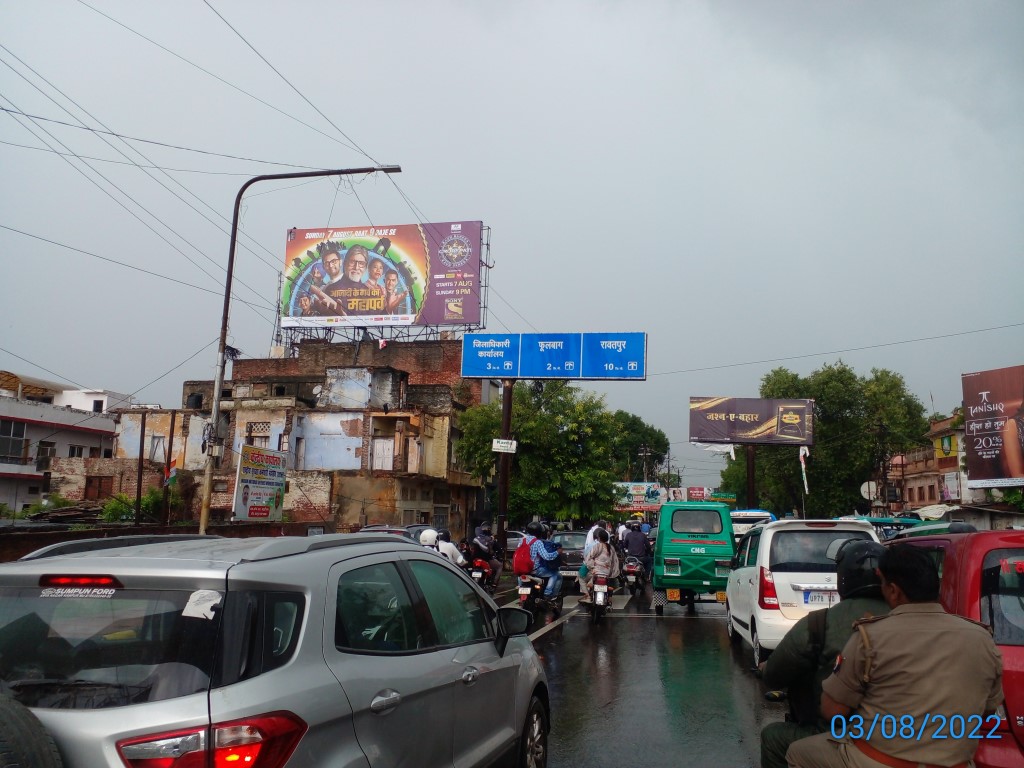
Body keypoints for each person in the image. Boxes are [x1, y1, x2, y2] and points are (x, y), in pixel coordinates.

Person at [786, 543, 1004, 768]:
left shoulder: (869, 636)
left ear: (893, 590)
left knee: (797, 752)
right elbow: (987, 709)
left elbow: (833, 711)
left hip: (879, 761)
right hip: (957, 763)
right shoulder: (982, 638)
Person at [759, 541, 889, 768]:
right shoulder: (914, 622)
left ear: (842, 578)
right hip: (909, 735)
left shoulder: (819, 624)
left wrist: (765, 669)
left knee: (772, 737)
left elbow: (774, 675)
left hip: (839, 736)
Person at [318, 245, 384, 316]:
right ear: (345, 263)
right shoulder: (331, 290)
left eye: (361, 263)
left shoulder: (371, 294)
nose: (356, 267)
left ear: (365, 267)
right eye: (352, 262)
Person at [525, 520, 563, 603]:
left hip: (522, 570)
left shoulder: (522, 540)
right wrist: (557, 552)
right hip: (535, 570)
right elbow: (547, 557)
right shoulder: (538, 542)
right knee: (556, 574)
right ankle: (548, 594)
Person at [579, 528, 615, 603]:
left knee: (581, 578)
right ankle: (610, 597)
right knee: (612, 582)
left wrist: (589, 567)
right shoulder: (611, 548)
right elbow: (614, 562)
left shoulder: (597, 546)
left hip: (596, 572)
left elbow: (589, 558)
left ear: (599, 538)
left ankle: (587, 596)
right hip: (607, 573)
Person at [471, 521, 503, 588]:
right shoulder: (490, 539)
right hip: (486, 560)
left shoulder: (475, 539)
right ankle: (494, 583)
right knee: (500, 566)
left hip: (475, 560)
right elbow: (498, 549)